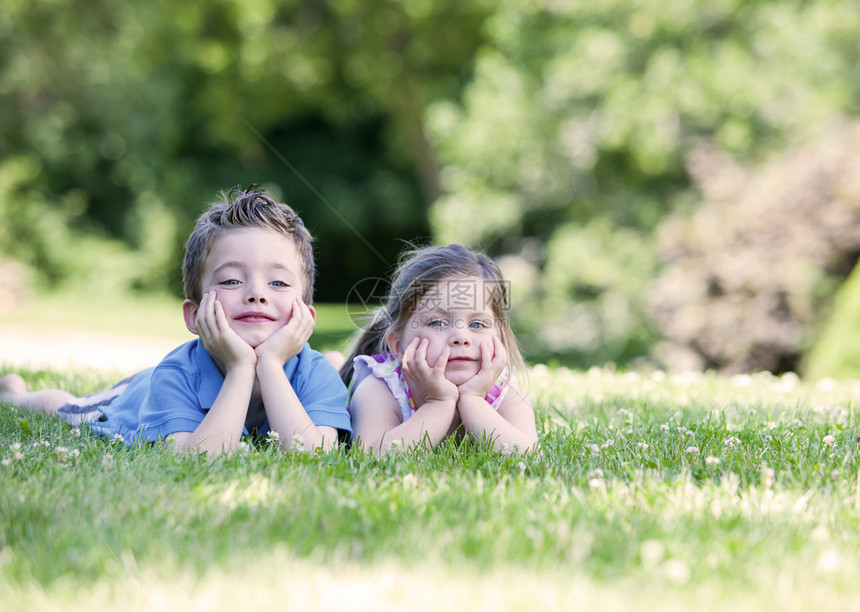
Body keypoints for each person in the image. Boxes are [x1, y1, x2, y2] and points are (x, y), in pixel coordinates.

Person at [0, 186, 351, 455]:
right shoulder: (174, 376)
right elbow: (200, 459)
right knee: (68, 408)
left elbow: (313, 455)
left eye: (278, 282)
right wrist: (242, 367)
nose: (256, 294)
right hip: (133, 399)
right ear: (195, 315)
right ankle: (16, 395)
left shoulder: (315, 373)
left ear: (306, 314)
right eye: (231, 280)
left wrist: (271, 365)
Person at [340, 244, 537, 454]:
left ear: (500, 338)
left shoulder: (504, 392)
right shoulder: (382, 387)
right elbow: (371, 455)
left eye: (477, 324)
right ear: (398, 346)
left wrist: (473, 400)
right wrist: (438, 403)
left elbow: (529, 455)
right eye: (436, 323)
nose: (461, 337)